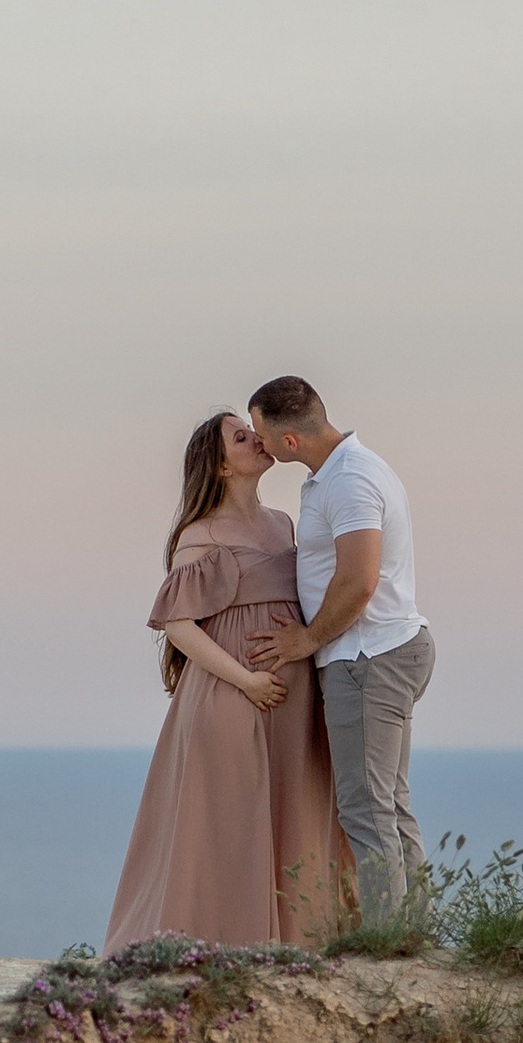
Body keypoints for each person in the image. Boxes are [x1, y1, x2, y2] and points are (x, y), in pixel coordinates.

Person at [103, 409, 348, 955]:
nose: (257, 440)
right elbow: (177, 624)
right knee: (229, 825)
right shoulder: (201, 535)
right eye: (242, 437)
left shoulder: (284, 524)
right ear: (219, 466)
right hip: (233, 695)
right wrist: (246, 681)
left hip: (294, 699)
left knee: (296, 811)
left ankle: (296, 944)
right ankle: (221, 946)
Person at [245, 376, 433, 927]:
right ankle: (413, 934)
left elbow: (358, 580)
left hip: (368, 659)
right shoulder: (336, 473)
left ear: (289, 442)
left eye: (261, 433)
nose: (258, 442)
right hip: (376, 654)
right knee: (388, 804)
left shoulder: (350, 480)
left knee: (366, 809)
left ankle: (391, 942)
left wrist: (306, 640)